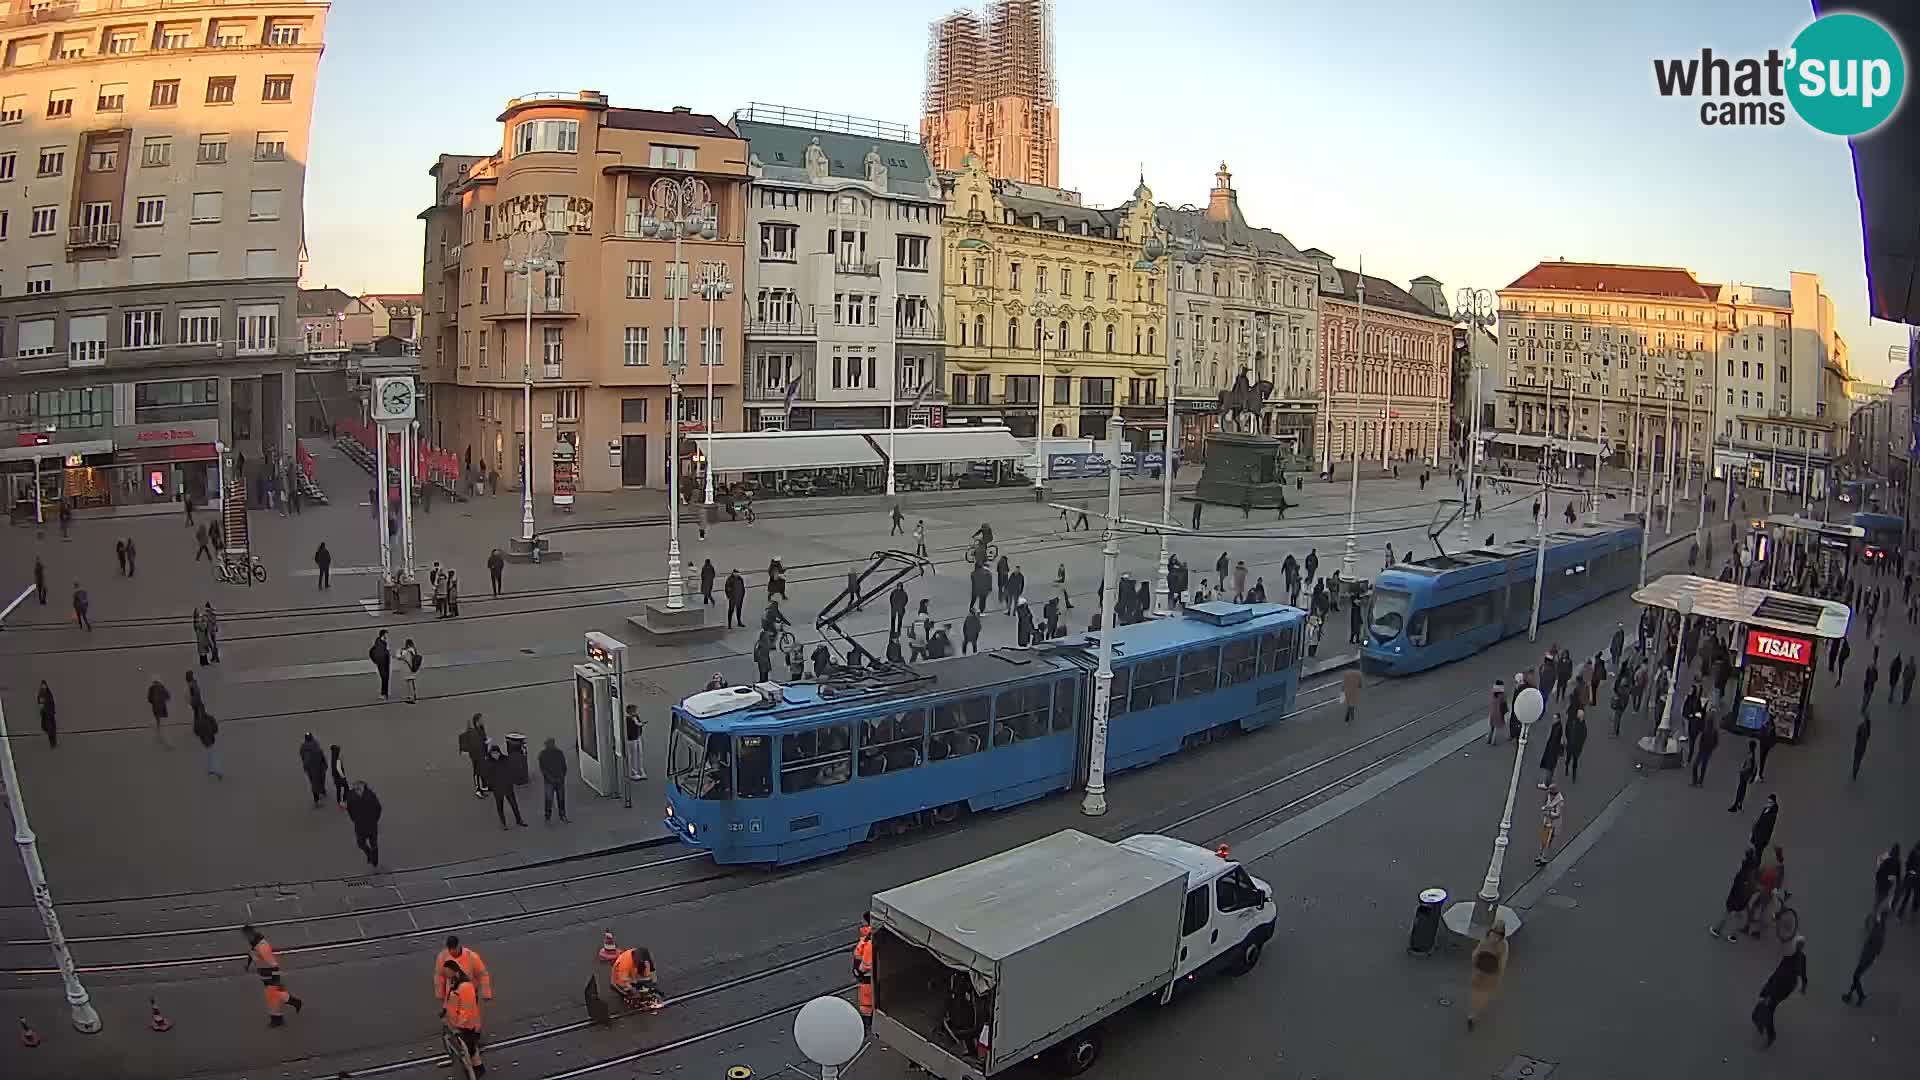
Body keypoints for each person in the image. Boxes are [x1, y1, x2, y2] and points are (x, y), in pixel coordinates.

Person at [1751, 936, 1808, 1048]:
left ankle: (1769, 1032)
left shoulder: (1794, 956)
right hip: (1784, 986)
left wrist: (1768, 990)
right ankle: (1763, 1025)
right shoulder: (1798, 956)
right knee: (1769, 1007)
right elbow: (1799, 974)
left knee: (1768, 1008)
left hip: (1782, 987)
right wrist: (1803, 987)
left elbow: (1781, 974)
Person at [440, 962, 485, 1074]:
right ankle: (474, 1069)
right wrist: (445, 1011)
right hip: (458, 1024)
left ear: (454, 971)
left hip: (467, 1026)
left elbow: (466, 1008)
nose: (446, 975)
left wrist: (459, 1026)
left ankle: (477, 1069)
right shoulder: (454, 983)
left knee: (470, 1050)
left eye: (447, 972)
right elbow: (451, 999)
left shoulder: (465, 986)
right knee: (468, 1049)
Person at [1464, 920, 1507, 1031]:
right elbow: (1502, 962)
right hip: (1491, 972)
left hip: (1480, 968)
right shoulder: (1503, 944)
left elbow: (1475, 953)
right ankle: (1474, 1014)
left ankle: (1471, 1012)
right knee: (1484, 994)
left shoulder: (1486, 939)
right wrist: (1499, 977)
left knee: (1475, 991)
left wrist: (1474, 966)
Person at [1841, 908, 1887, 1006]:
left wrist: (1868, 956)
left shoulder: (1878, 932)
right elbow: (1878, 949)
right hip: (1868, 958)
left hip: (1866, 959)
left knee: (1856, 977)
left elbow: (1875, 947)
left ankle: (1860, 996)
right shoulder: (1881, 929)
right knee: (1856, 977)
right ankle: (1849, 995)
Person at [1712, 848, 1759, 940]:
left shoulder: (1742, 873)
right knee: (1738, 917)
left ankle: (1717, 930)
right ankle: (1733, 936)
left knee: (1727, 914)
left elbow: (1735, 886)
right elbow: (1752, 887)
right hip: (1744, 900)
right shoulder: (1753, 873)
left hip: (1735, 898)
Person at [485, 744, 527, 829]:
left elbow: (511, 770)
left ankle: (519, 820)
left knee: (514, 805)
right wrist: (491, 786)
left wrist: (511, 780)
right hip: (497, 788)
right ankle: (503, 823)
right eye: (493, 753)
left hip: (507, 786)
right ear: (491, 754)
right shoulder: (488, 762)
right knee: (500, 807)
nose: (495, 755)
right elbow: (488, 776)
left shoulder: (505, 759)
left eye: (496, 753)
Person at [610, 945, 659, 1009]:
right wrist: (635, 991)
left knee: (645, 985)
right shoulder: (625, 962)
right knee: (632, 994)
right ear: (635, 958)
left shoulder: (645, 956)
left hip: (633, 975)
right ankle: (629, 998)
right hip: (620, 980)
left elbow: (652, 970)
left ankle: (638, 989)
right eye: (639, 961)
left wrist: (653, 986)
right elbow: (625, 981)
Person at [347, 781, 382, 868]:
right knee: (360, 843)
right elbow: (349, 809)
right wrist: (354, 819)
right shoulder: (351, 796)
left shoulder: (370, 795)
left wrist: (375, 819)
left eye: (359, 786)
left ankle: (375, 861)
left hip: (371, 824)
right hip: (359, 824)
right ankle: (370, 854)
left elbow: (378, 808)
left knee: (374, 843)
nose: (357, 788)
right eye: (356, 786)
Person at [538, 737, 569, 823]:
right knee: (551, 799)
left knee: (557, 799)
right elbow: (543, 769)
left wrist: (562, 776)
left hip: (554, 780)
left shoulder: (558, 753)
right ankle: (552, 816)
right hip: (552, 781)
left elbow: (564, 766)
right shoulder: (544, 754)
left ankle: (558, 816)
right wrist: (558, 777)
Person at [460, 715, 490, 798]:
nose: (483, 721)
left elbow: (483, 739)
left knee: (483, 770)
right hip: (476, 756)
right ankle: (478, 790)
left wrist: (486, 743)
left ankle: (484, 786)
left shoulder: (481, 729)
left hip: (482, 754)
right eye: (481, 719)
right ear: (477, 721)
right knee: (477, 772)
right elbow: (476, 745)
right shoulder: (474, 733)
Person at [1535, 783, 1564, 865]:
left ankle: (1544, 857)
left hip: (1553, 824)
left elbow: (1558, 814)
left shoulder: (1559, 801)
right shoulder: (1549, 796)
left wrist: (1549, 813)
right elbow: (1548, 805)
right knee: (1543, 839)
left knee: (1547, 841)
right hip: (1547, 821)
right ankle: (1540, 855)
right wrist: (1545, 808)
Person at [1690, 709, 1720, 787]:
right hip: (1705, 749)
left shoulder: (1709, 730)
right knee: (1701, 765)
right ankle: (1699, 781)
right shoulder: (1710, 730)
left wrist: (1708, 747)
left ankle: (1696, 781)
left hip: (1705, 749)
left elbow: (1713, 742)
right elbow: (1716, 742)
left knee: (1698, 765)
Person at [853, 923, 875, 1020]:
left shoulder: (869, 941)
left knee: (867, 999)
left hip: (866, 975)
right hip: (865, 974)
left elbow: (866, 964)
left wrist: (859, 970)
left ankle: (868, 1019)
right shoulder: (868, 936)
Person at [299, 734, 328, 807]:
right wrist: (324, 763)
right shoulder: (315, 744)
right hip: (317, 766)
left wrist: (306, 766)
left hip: (311, 768)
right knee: (320, 779)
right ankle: (318, 797)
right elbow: (321, 754)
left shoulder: (303, 747)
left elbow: (303, 757)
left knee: (314, 782)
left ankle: (318, 795)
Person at [1536, 713, 1564, 788]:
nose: (1553, 720)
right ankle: (1548, 781)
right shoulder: (1557, 726)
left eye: (1555, 718)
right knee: (1551, 767)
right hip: (1553, 750)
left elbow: (1554, 739)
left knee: (1549, 766)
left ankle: (1546, 783)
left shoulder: (1557, 728)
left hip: (1552, 750)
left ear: (1558, 719)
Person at [1728, 741, 1758, 812]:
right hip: (1746, 773)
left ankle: (1736, 805)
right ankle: (1739, 804)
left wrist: (1744, 771)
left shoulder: (1752, 755)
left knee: (1740, 789)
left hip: (1745, 774)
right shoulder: (1752, 754)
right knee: (1743, 789)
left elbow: (1752, 766)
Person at [1750, 794, 1780, 858]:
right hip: (1758, 832)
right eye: (1768, 801)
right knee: (1756, 849)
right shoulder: (1766, 809)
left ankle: (1756, 864)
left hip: (1763, 835)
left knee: (1758, 852)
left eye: (1770, 802)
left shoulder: (1772, 814)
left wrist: (1766, 838)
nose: (1769, 803)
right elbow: (1760, 819)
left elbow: (1769, 826)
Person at [1564, 706, 1588, 783]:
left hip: (1576, 747)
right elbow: (1568, 730)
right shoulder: (1574, 722)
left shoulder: (1583, 727)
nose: (1576, 714)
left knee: (1575, 762)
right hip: (1571, 745)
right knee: (1568, 758)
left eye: (1578, 714)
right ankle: (1567, 768)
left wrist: (1579, 745)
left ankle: (1573, 775)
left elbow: (1583, 738)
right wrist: (1568, 739)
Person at [624, 703, 646, 782]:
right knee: (633, 755)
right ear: (630, 711)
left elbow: (639, 724)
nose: (636, 712)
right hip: (631, 739)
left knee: (639, 754)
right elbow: (636, 725)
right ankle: (633, 773)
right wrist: (640, 724)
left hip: (637, 737)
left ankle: (640, 771)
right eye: (635, 710)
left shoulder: (636, 717)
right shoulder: (628, 719)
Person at [369, 630, 392, 699]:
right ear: (383, 635)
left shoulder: (384, 642)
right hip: (382, 662)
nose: (387, 636)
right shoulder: (379, 642)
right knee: (384, 677)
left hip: (386, 662)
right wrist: (376, 660)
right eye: (386, 634)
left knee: (386, 678)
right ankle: (383, 693)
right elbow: (377, 652)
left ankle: (385, 693)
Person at [1850, 715, 1871, 781]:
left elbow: (1858, 736)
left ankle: (1854, 771)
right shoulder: (1866, 732)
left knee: (1856, 759)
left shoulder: (1862, 728)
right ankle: (1855, 772)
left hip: (1859, 747)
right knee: (1858, 760)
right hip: (1862, 748)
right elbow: (1865, 737)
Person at [36, 681, 56, 749]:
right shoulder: (41, 693)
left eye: (44, 685)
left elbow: (51, 702)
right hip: (45, 713)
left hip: (49, 713)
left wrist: (52, 711)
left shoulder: (48, 693)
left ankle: (53, 742)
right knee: (46, 727)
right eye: (42, 685)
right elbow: (40, 702)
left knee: (51, 728)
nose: (43, 687)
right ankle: (52, 740)